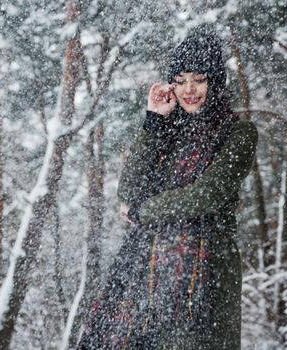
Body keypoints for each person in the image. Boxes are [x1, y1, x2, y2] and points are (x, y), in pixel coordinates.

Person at [77, 25, 257, 350]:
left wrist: (144, 211)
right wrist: (153, 121)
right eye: (181, 80)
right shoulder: (166, 132)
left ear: (214, 81)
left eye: (199, 79)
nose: (189, 89)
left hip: (206, 270)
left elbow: (206, 195)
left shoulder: (239, 134)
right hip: (146, 267)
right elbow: (128, 189)